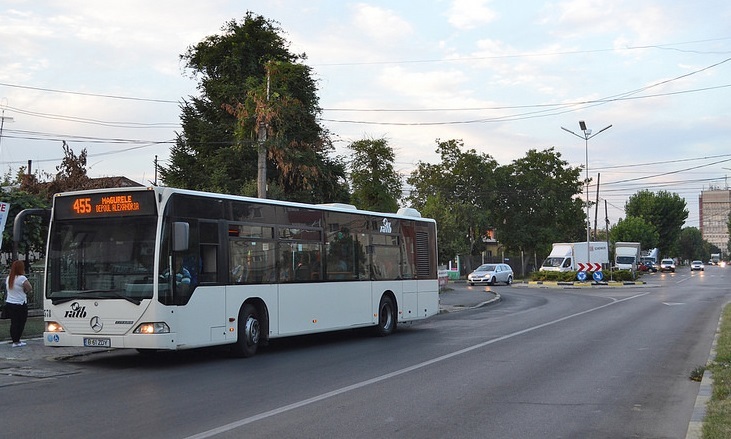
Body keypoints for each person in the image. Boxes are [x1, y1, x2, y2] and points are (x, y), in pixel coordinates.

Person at [5, 260, 32, 347]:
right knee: (21, 322)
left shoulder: (9, 278)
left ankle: (14, 340)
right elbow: (29, 288)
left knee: (14, 322)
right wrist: (24, 291)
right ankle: (17, 340)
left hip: (10, 302)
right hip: (20, 303)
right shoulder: (22, 278)